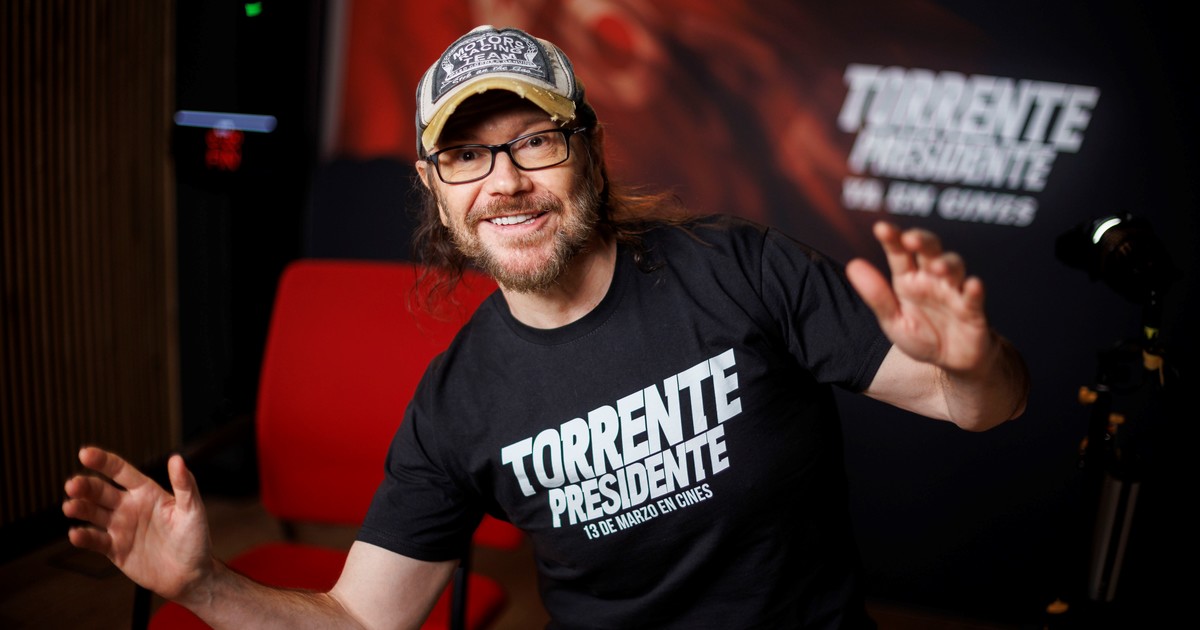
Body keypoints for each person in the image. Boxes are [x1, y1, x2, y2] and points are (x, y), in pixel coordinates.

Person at [63, 24, 1029, 630]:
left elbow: (982, 407)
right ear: (434, 189)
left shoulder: (737, 269)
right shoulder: (456, 404)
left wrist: (975, 363)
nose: (506, 182)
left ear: (587, 150)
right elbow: (362, 620)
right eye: (466, 156)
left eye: (533, 140)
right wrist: (204, 584)